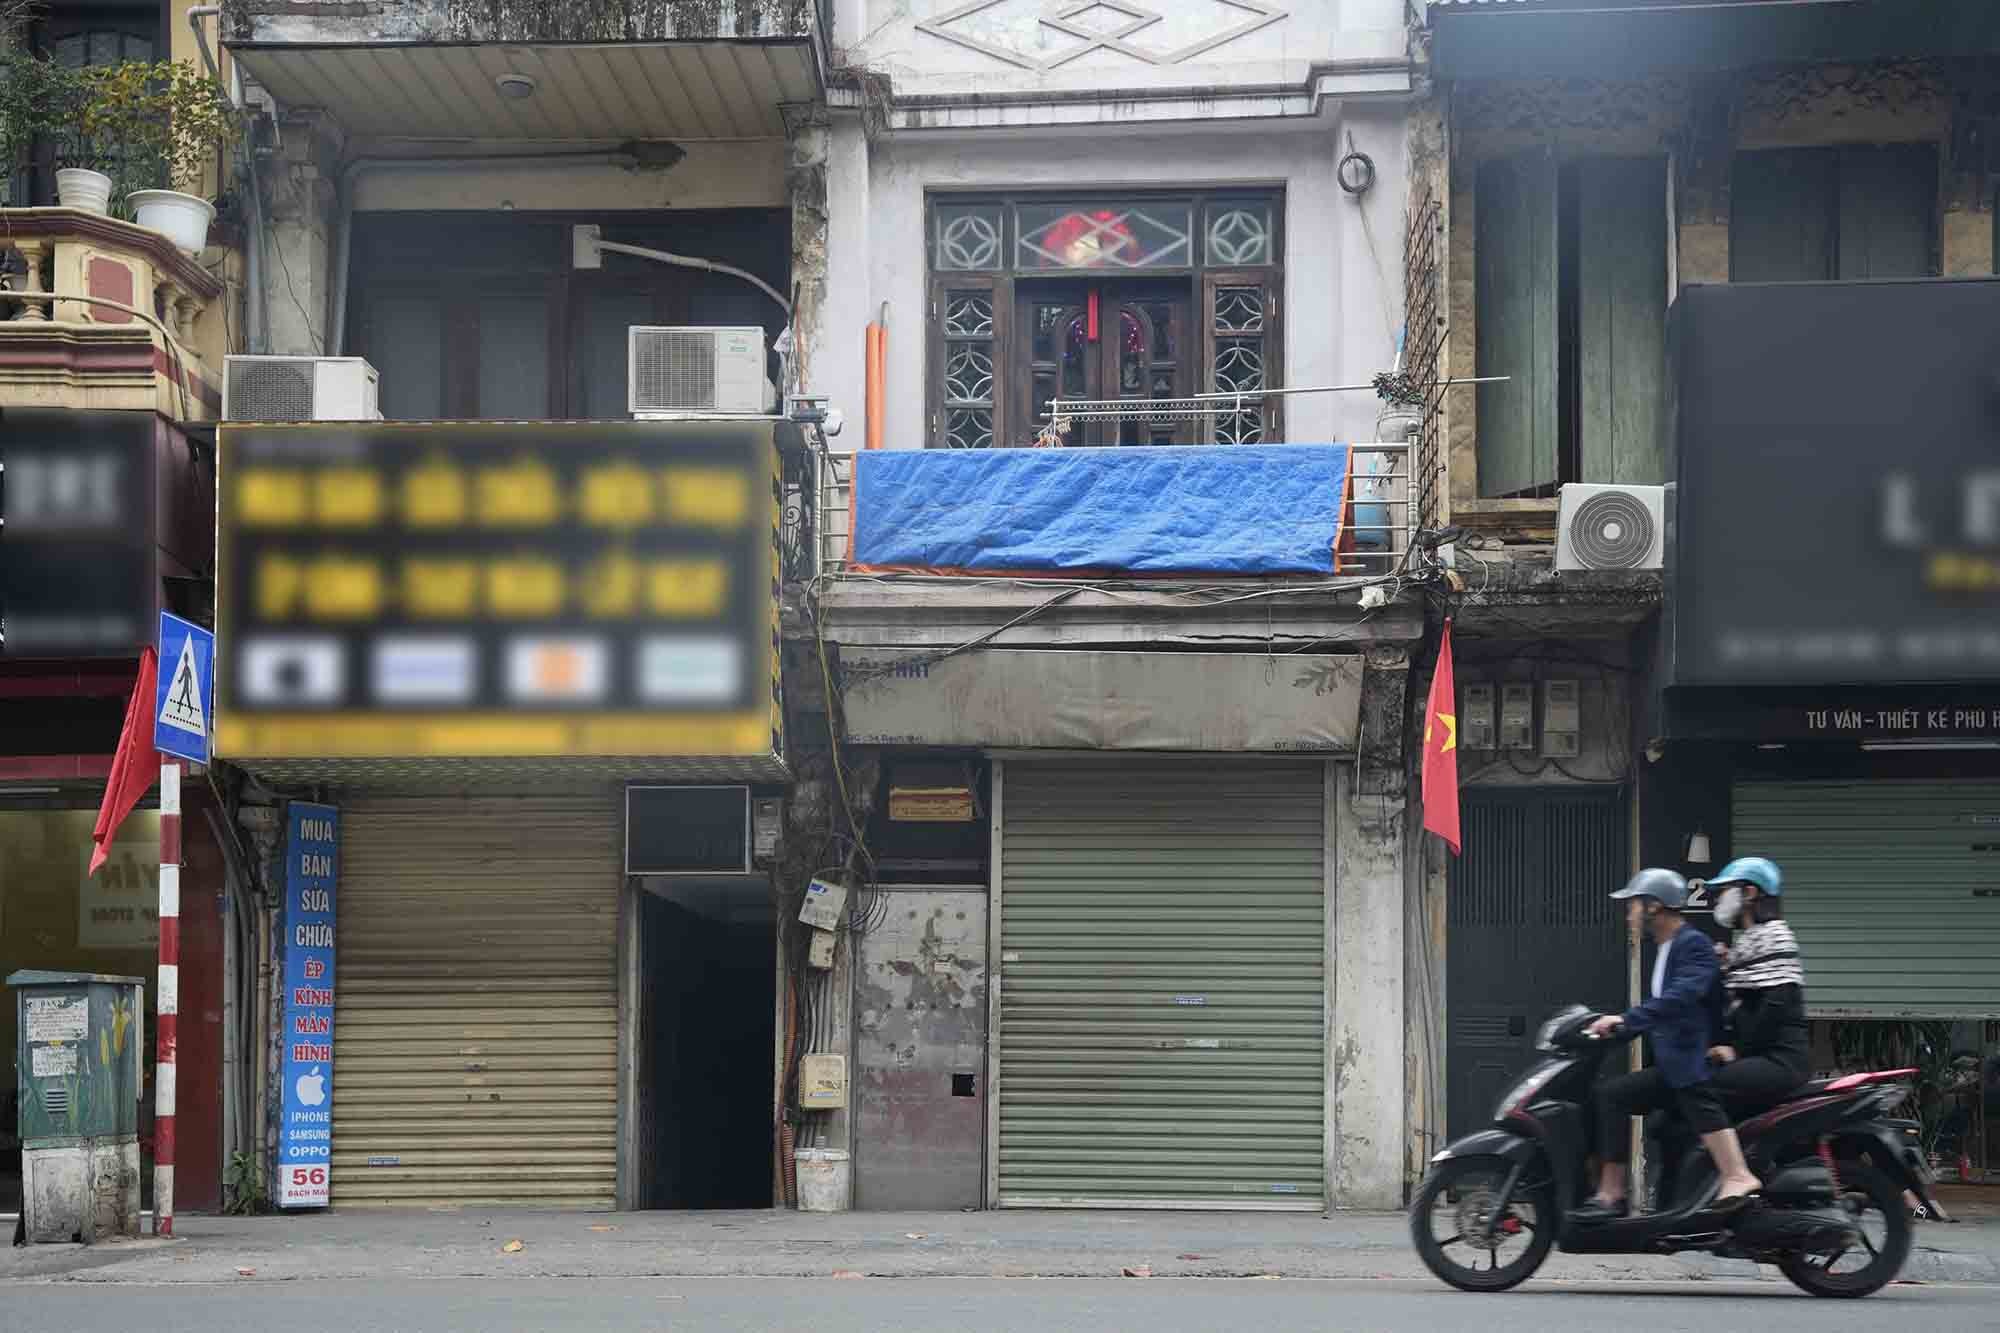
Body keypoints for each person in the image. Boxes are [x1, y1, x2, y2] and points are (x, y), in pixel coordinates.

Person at [1570, 868, 1762, 1223]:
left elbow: (1681, 999)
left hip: (1691, 1065)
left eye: (1633, 906)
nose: (1629, 915)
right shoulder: (1667, 948)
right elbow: (1671, 1009)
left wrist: (1627, 1021)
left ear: (1654, 906)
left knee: (1614, 1095)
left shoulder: (1693, 945)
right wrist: (1608, 1030)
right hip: (1677, 1064)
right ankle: (1647, 1209)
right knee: (1618, 1100)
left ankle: (1614, 1194)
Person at [1706, 856, 1811, 1112]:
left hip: (1779, 1061)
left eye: (1725, 891)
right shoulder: (1752, 940)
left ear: (1750, 892)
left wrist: (1737, 1051)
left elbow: (1775, 1005)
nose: (1719, 900)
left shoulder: (1775, 936)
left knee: (1698, 1088)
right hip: (1760, 1057)